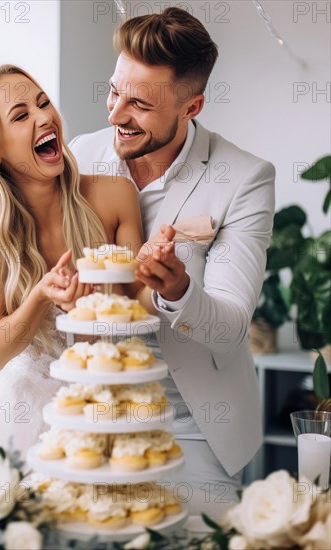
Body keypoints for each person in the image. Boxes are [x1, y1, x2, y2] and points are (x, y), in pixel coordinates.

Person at [70, 7, 275, 517]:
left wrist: (180, 291)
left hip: (192, 423)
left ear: (193, 105)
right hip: (91, 408)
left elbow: (230, 330)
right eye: (114, 91)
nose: (115, 115)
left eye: (139, 103)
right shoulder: (79, 156)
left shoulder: (245, 178)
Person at [0, 64, 143, 467]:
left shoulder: (114, 195)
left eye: (43, 103)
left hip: (106, 404)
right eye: (21, 115)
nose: (44, 117)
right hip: (19, 415)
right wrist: (40, 296)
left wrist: (156, 268)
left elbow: (139, 307)